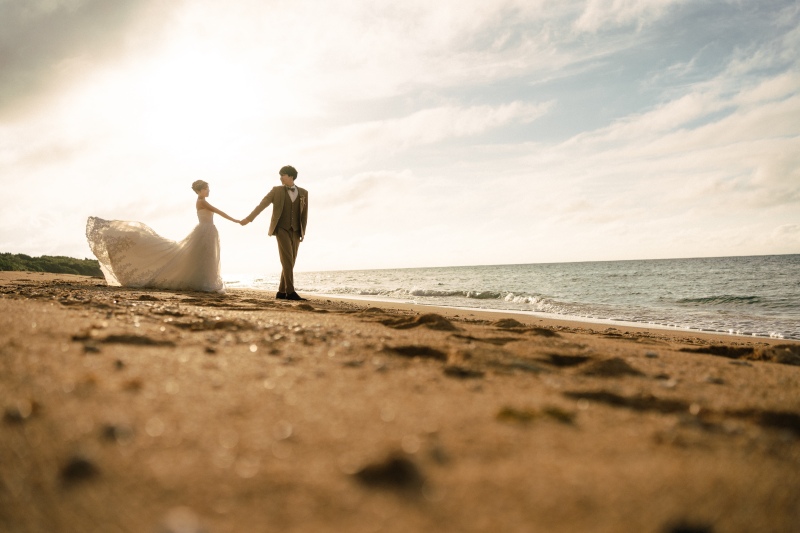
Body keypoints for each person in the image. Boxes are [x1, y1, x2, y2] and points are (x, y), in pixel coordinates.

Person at [86, 180, 239, 293]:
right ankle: (204, 283)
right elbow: (219, 211)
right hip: (204, 231)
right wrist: (237, 220)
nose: (209, 190)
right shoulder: (201, 201)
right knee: (203, 256)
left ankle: (205, 281)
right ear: (201, 190)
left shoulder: (203, 201)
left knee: (205, 257)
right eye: (207, 188)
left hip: (208, 231)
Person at [240, 165, 308, 300]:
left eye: (283, 175)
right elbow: (262, 204)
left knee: (290, 261)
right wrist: (249, 219)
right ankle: (290, 292)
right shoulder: (276, 191)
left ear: (291, 176)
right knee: (287, 259)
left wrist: (302, 232)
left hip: (296, 230)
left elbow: (304, 214)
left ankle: (281, 292)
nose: (280, 178)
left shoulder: (304, 193)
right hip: (281, 228)